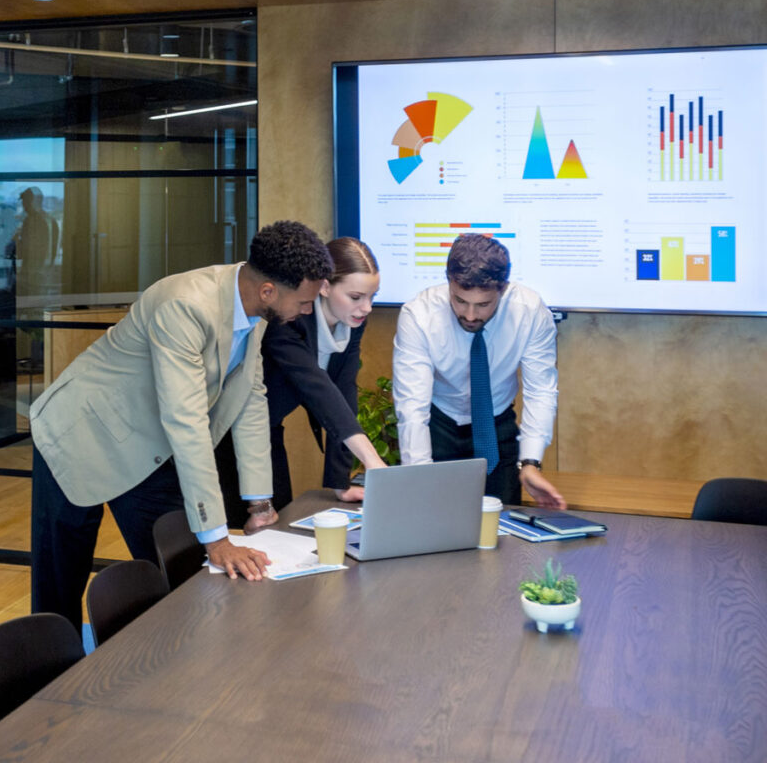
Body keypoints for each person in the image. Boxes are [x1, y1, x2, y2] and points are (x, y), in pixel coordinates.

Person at [29, 220, 333, 631]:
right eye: (304, 301)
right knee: (60, 581)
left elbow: (250, 401)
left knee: (181, 570)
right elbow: (186, 421)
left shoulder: (256, 310)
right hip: (82, 433)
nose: (307, 310)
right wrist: (218, 536)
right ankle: (46, 682)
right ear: (268, 291)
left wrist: (259, 503)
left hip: (149, 446)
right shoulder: (185, 305)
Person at [392, 233, 566, 509]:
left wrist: (531, 462)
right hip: (438, 425)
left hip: (496, 426)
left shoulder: (530, 312)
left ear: (504, 288)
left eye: (483, 305)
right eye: (460, 301)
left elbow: (540, 389)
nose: (470, 315)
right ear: (448, 281)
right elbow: (412, 406)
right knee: (433, 518)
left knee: (501, 527)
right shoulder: (419, 315)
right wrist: (419, 474)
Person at [255, 237, 389, 507]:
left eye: (372, 297)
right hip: (234, 432)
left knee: (278, 514)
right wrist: (371, 459)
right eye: (356, 297)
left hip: (268, 427)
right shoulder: (289, 316)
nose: (367, 308)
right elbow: (319, 389)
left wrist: (340, 483)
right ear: (325, 286)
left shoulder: (352, 321)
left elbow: (343, 393)